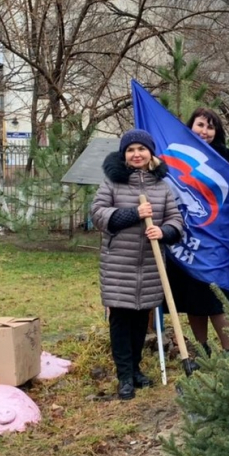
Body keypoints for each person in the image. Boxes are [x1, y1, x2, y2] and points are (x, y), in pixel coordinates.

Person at [91, 130, 184, 401]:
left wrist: (163, 232)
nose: (136, 154)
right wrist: (134, 214)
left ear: (150, 154)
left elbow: (176, 220)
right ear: (124, 155)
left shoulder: (161, 187)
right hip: (119, 264)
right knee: (121, 319)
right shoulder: (112, 182)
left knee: (140, 320)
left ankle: (135, 370)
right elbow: (98, 214)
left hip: (150, 265)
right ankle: (124, 378)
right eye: (131, 150)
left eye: (141, 149)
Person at [167, 107, 229, 354]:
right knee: (194, 300)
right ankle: (202, 350)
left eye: (210, 127)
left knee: (217, 299)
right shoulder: (176, 155)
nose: (205, 131)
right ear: (190, 126)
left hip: (217, 242)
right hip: (186, 240)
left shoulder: (226, 159)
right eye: (200, 125)